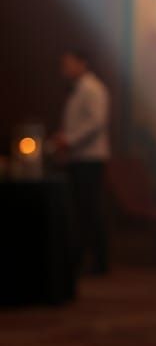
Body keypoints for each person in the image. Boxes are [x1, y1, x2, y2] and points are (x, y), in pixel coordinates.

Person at [47, 47, 111, 276]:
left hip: (90, 159)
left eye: (68, 63)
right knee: (81, 211)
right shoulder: (78, 90)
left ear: (81, 63)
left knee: (90, 210)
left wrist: (69, 139)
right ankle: (81, 260)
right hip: (78, 158)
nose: (64, 69)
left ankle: (100, 262)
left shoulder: (92, 89)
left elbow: (96, 123)